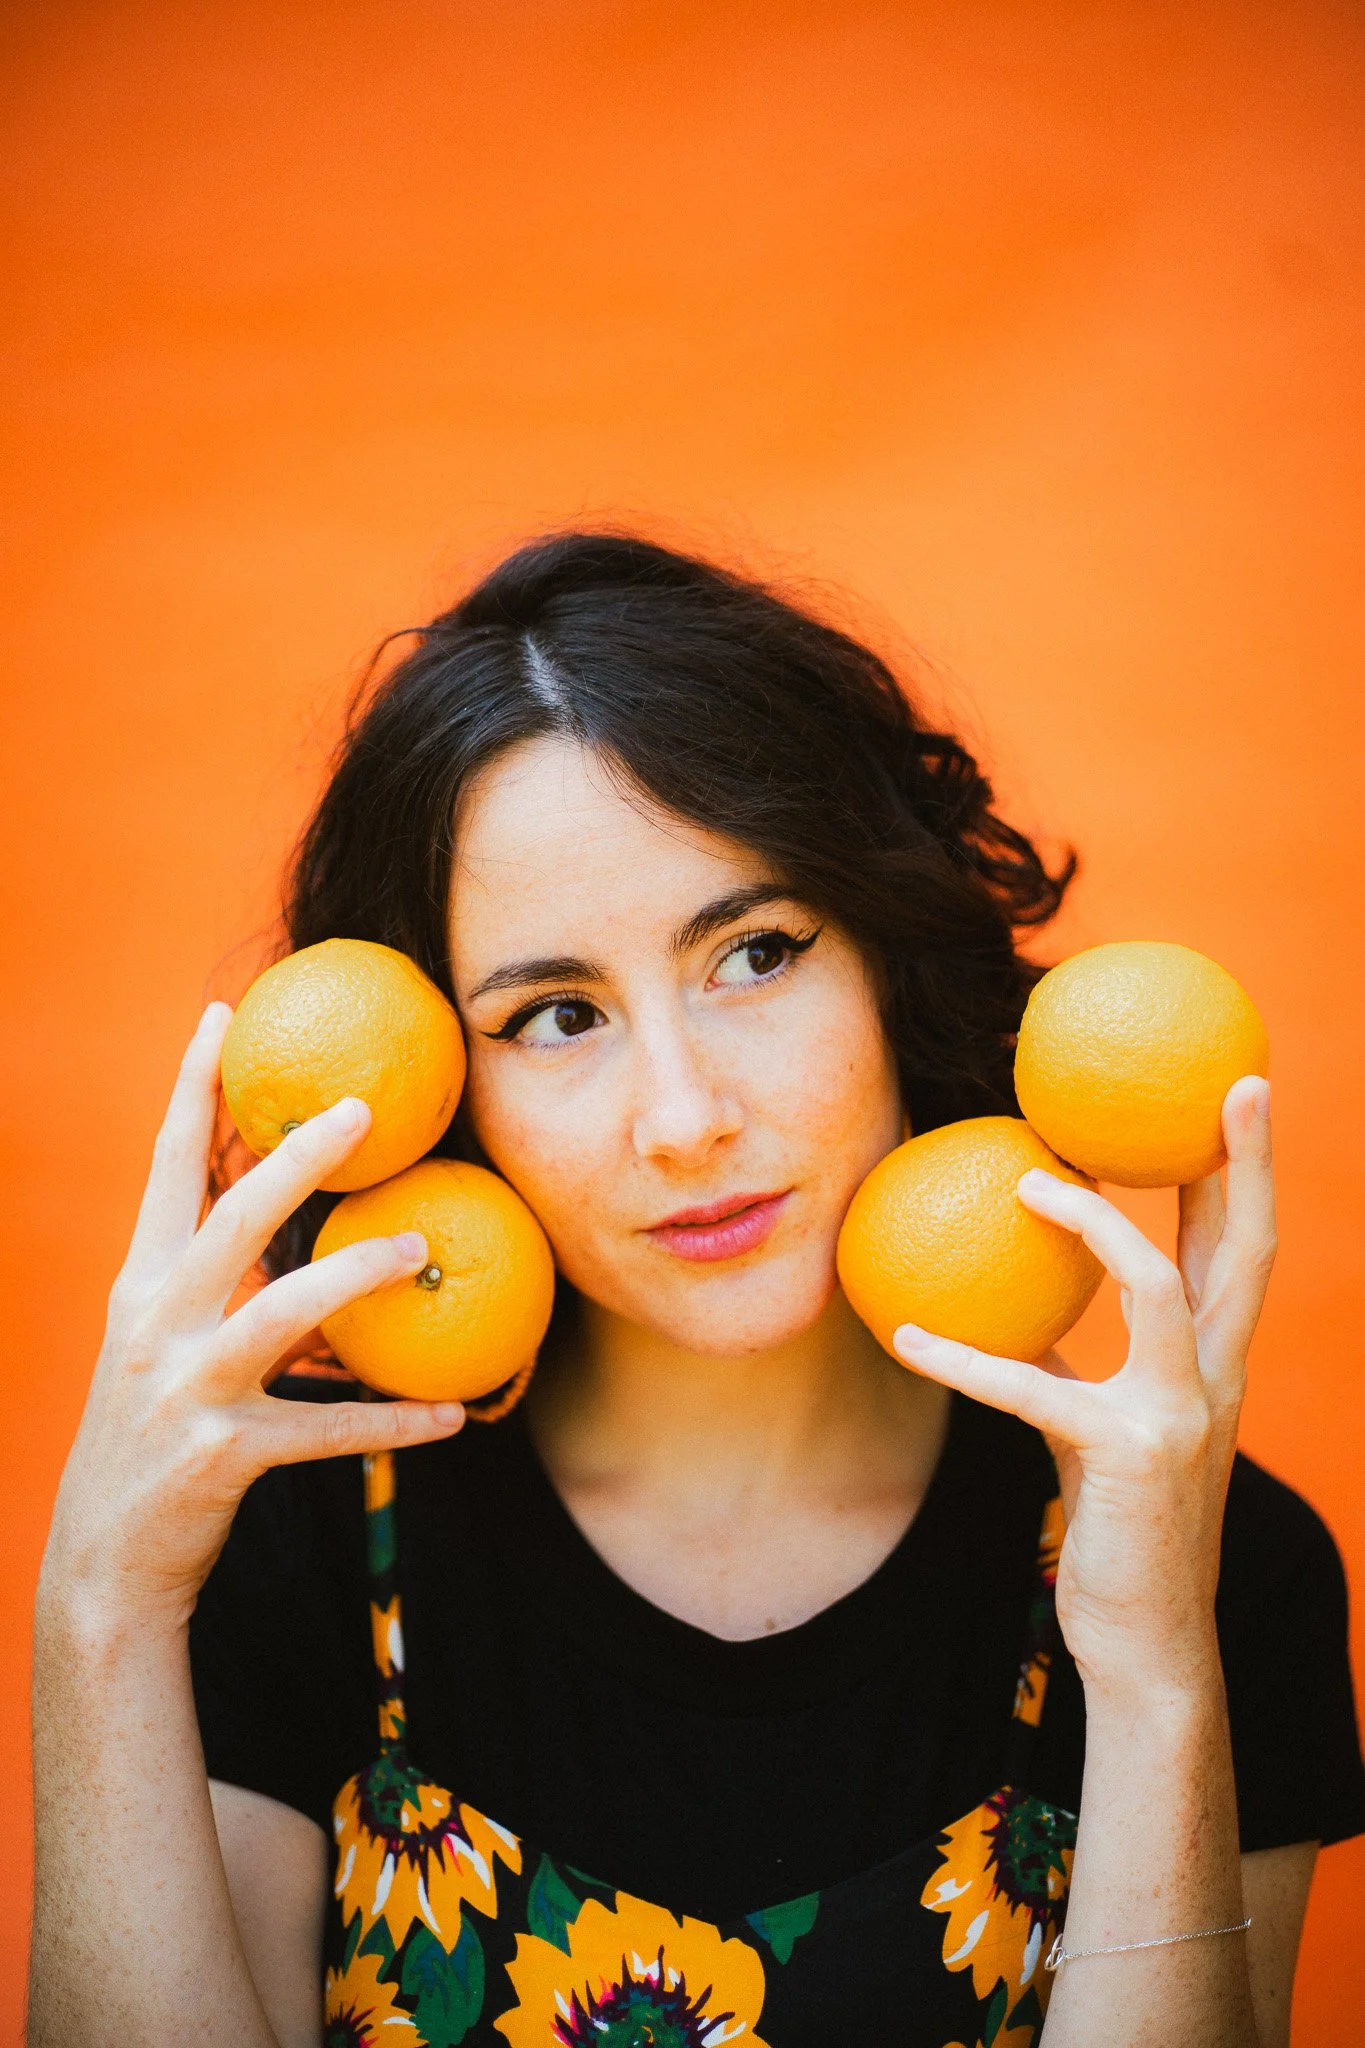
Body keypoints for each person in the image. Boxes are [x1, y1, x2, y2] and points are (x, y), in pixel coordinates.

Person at [29, 534, 1365, 2048]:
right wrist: (99, 1609)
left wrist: (1152, 1673)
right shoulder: (297, 1546)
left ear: (884, 951)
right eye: (554, 1014)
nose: (683, 1118)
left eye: (755, 953)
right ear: (436, 1089)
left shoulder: (1213, 1566)